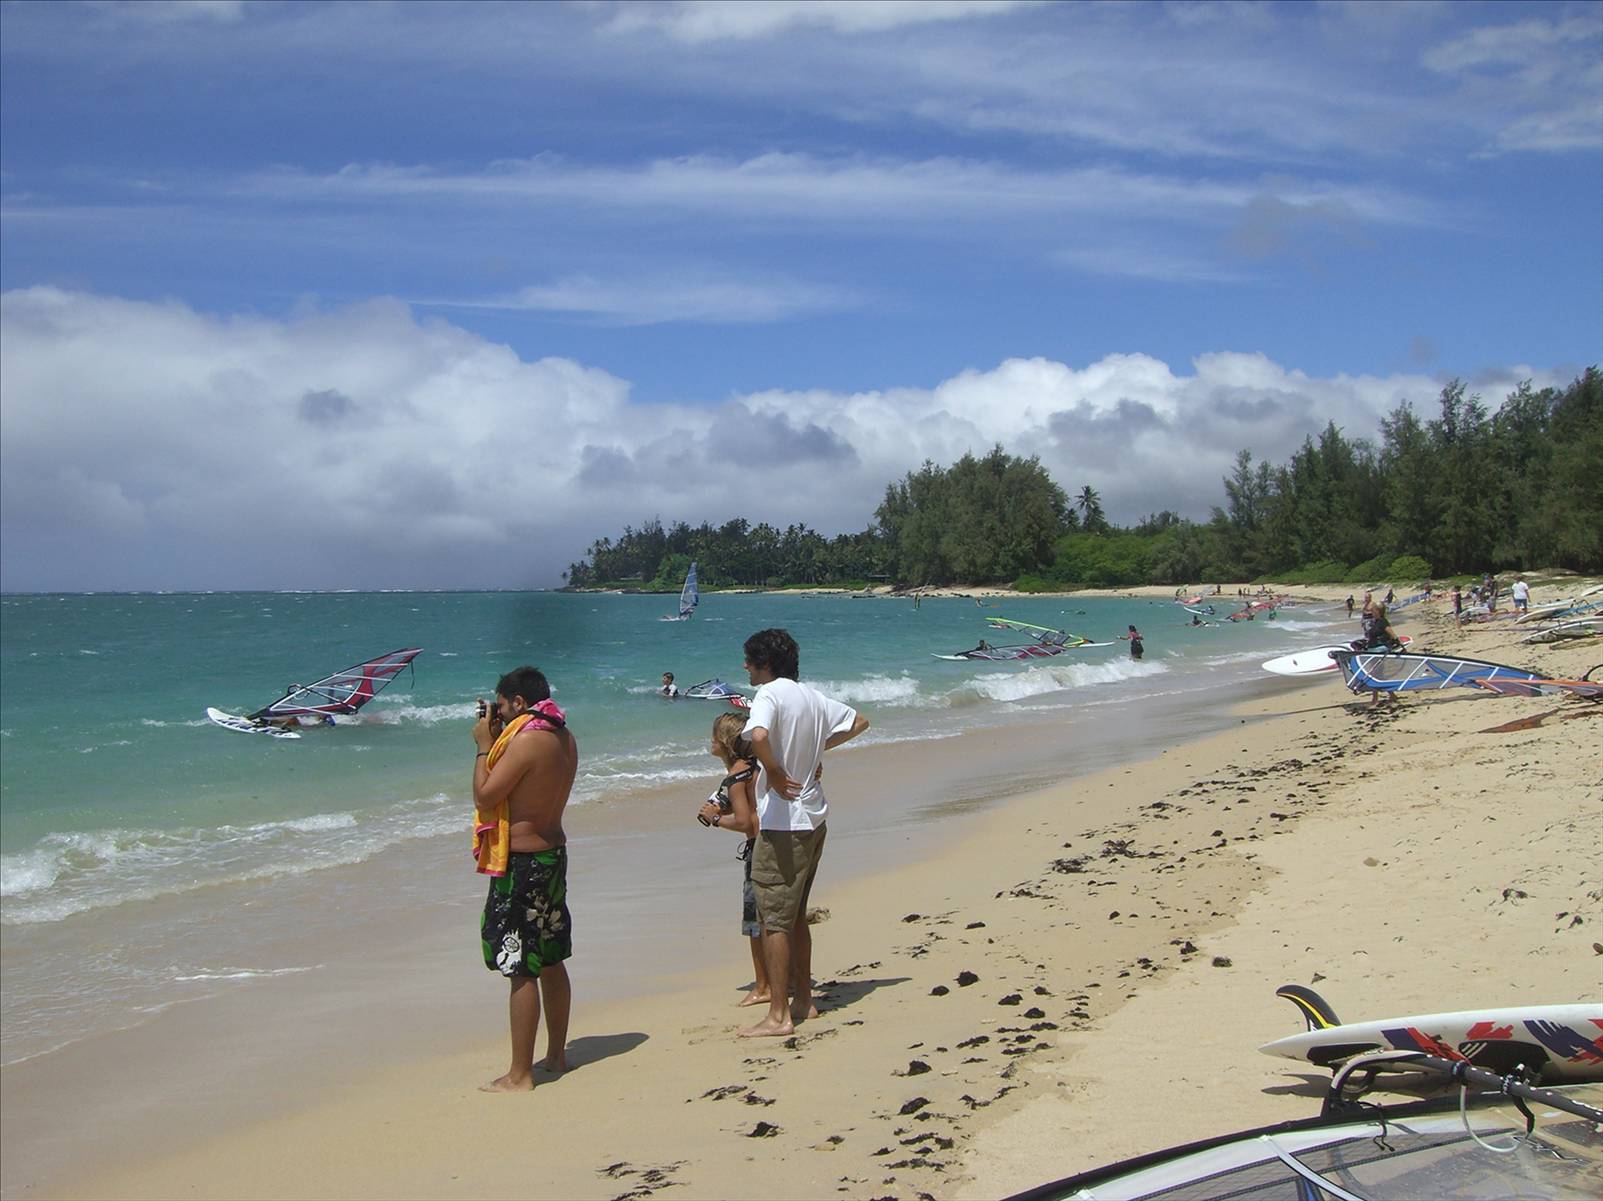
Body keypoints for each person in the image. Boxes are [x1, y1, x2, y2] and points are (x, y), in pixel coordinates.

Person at [738, 628, 869, 1038]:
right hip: (814, 817)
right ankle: (803, 1000)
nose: (745, 668)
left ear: (766, 665)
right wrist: (814, 753)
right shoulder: (811, 696)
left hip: (783, 821)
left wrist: (774, 770)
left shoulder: (770, 694)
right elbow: (860, 721)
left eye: (749, 661)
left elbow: (757, 736)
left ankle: (779, 1015)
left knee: (774, 918)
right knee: (794, 915)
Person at [471, 666, 577, 1092]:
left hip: (523, 864)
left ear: (518, 702)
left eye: (501, 707)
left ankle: (520, 1074)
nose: (498, 716)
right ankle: (556, 1054)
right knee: (551, 956)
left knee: (520, 966)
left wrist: (483, 748)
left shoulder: (527, 740)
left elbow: (485, 795)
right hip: (552, 854)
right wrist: (499, 739)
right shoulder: (563, 736)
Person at [698, 711, 770, 1009]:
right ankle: (782, 978)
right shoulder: (757, 766)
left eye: (714, 736)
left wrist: (716, 819)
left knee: (755, 922)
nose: (710, 741)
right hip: (777, 844)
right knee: (775, 919)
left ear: (726, 743)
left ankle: (763, 985)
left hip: (759, 849)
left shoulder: (736, 776)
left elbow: (747, 823)